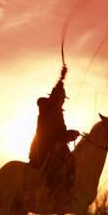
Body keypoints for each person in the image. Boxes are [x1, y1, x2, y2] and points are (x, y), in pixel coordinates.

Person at [28, 65, 80, 197]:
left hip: (57, 148)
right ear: (55, 97)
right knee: (56, 168)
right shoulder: (46, 107)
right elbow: (55, 135)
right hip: (44, 148)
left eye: (63, 99)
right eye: (61, 98)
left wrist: (71, 134)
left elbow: (61, 134)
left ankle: (67, 192)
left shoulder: (58, 113)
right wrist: (61, 78)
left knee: (73, 164)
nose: (62, 101)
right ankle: (53, 195)